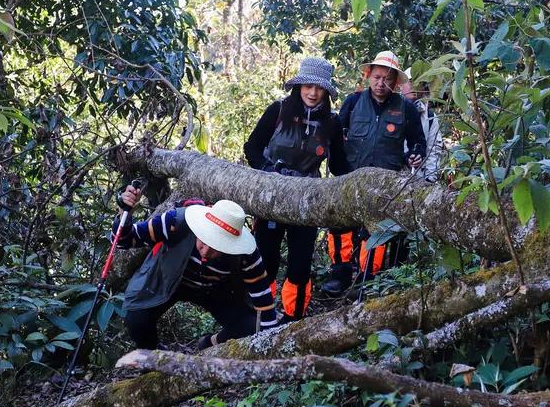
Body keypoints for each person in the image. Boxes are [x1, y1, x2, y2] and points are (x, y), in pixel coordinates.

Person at [244, 57, 349, 325]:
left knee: (300, 264)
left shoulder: (332, 123)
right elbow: (252, 147)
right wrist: (267, 170)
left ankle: (294, 320)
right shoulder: (278, 111)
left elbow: (338, 165)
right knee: (265, 258)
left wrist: (360, 181)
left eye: (319, 88)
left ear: (326, 92)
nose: (313, 93)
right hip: (271, 197)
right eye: (308, 86)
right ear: (299, 86)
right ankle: (261, 317)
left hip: (307, 199)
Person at [113, 188, 275, 350]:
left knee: (251, 327)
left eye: (216, 247)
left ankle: (210, 342)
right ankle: (152, 357)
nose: (205, 251)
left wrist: (270, 340)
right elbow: (125, 240)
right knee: (136, 320)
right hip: (171, 280)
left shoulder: (246, 253)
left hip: (214, 290)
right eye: (204, 240)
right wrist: (124, 214)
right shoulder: (176, 221)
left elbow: (263, 299)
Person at [322, 51, 427, 297]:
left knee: (376, 230)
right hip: (349, 178)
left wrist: (415, 154)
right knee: (340, 225)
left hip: (384, 182)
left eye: (387, 79)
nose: (381, 84)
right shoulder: (353, 102)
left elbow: (418, 142)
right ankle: (339, 273)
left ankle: (368, 277)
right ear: (369, 75)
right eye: (377, 77)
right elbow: (336, 134)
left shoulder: (406, 109)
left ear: (396, 82)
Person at [401, 76, 443, 182]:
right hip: (392, 176)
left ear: (423, 88)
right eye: (410, 82)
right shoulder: (390, 111)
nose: (413, 86)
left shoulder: (430, 117)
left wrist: (430, 180)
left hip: (419, 179)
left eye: (418, 82)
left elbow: (433, 150)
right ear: (401, 85)